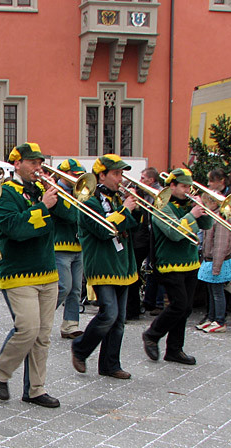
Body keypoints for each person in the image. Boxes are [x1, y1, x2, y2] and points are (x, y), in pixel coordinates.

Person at [0, 142, 74, 408]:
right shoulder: (3, 193)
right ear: (17, 164)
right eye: (33, 163)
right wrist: (43, 208)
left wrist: (56, 199)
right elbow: (14, 229)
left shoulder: (42, 190)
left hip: (47, 271)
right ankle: (0, 371)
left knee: (43, 335)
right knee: (27, 328)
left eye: (41, 162)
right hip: (18, 273)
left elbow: (72, 218)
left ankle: (35, 389)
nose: (39, 168)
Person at [72, 154, 138, 379]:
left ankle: (110, 364)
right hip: (102, 264)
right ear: (102, 175)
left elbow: (131, 227)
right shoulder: (89, 201)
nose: (120, 179)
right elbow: (103, 230)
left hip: (122, 265)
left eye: (122, 174)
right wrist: (126, 211)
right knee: (109, 313)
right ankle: (80, 349)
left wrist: (132, 208)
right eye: (116, 174)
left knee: (119, 319)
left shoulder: (118, 199)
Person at [141, 168, 213, 365]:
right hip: (169, 264)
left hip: (190, 262)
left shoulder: (189, 204)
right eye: (183, 186)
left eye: (189, 186)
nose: (188, 190)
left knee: (186, 308)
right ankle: (152, 334)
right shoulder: (162, 205)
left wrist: (203, 208)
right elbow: (174, 234)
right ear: (171, 186)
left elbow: (207, 225)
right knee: (179, 305)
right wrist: (192, 215)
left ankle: (174, 349)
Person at [196, 169, 231, 334]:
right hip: (210, 260)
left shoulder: (220, 219)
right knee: (211, 291)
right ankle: (211, 318)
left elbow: (221, 245)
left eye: (206, 203)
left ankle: (219, 320)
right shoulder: (212, 216)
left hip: (216, 261)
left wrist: (216, 266)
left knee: (217, 293)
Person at [53, 158, 85, 339]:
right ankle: (43, 318)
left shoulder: (79, 192)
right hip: (60, 245)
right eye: (74, 176)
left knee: (76, 289)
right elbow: (69, 215)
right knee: (63, 286)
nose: (77, 180)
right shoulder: (55, 191)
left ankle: (70, 325)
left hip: (78, 245)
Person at [127, 166, 159, 320]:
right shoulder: (143, 193)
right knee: (135, 272)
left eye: (143, 178)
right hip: (142, 238)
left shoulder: (154, 194)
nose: (140, 181)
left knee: (133, 273)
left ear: (151, 180)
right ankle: (136, 306)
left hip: (142, 239)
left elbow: (146, 217)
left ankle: (133, 308)